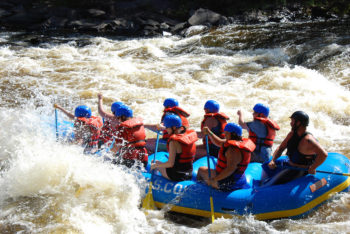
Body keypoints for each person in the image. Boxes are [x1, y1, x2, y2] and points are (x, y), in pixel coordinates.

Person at [262, 111, 328, 186]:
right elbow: (281, 148)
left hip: (299, 170)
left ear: (298, 123)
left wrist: (313, 168)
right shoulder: (292, 133)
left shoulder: (308, 140)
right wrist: (273, 160)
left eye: (292, 121)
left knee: (270, 184)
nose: (291, 123)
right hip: (289, 163)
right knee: (266, 165)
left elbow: (324, 154)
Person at [197, 123, 255, 192]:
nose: (224, 134)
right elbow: (218, 142)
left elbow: (230, 169)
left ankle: (201, 190)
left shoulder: (232, 150)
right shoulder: (236, 141)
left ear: (232, 134)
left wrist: (215, 179)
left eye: (226, 133)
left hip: (229, 182)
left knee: (201, 170)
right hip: (237, 178)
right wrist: (209, 133)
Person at [150, 114, 198, 181]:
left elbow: (170, 164)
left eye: (167, 127)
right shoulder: (187, 136)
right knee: (157, 162)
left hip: (177, 175)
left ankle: (152, 180)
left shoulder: (173, 141)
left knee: (153, 162)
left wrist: (155, 166)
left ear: (174, 128)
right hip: (189, 173)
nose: (165, 130)